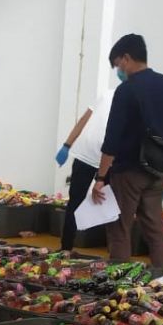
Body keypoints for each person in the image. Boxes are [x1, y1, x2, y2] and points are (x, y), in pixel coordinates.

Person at [91, 34, 163, 267]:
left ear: (126, 58)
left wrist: (101, 178)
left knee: (120, 228)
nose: (118, 70)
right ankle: (162, 283)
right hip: (159, 170)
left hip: (129, 172)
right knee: (154, 230)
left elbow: (112, 140)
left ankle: (119, 288)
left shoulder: (127, 90)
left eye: (117, 65)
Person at [55, 85, 116, 251]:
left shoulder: (122, 98)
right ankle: (66, 248)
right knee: (78, 201)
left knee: (106, 203)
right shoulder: (107, 94)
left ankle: (112, 251)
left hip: (108, 157)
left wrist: (67, 145)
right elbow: (84, 120)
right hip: (89, 154)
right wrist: (66, 145)